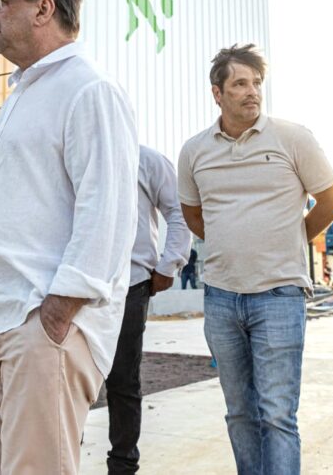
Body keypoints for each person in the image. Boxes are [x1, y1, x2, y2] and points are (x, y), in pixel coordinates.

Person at [0, 0, 138, 473]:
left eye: (0, 1)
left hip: (42, 326)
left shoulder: (89, 89)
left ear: (43, 9)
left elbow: (108, 212)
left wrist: (55, 317)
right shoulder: (22, 94)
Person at [178, 44, 333, 475]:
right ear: (217, 93)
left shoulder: (293, 138)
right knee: (239, 413)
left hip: (279, 295)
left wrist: (292, 238)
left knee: (277, 415)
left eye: (256, 83)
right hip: (221, 297)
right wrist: (231, 241)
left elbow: (331, 201)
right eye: (240, 84)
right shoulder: (194, 151)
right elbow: (193, 215)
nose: (252, 92)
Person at [105, 144, 193, 474]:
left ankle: (123, 465)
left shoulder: (147, 160)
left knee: (122, 380)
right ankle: (65, 458)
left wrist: (170, 264)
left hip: (131, 284)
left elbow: (179, 211)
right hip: (77, 284)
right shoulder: (77, 151)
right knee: (68, 379)